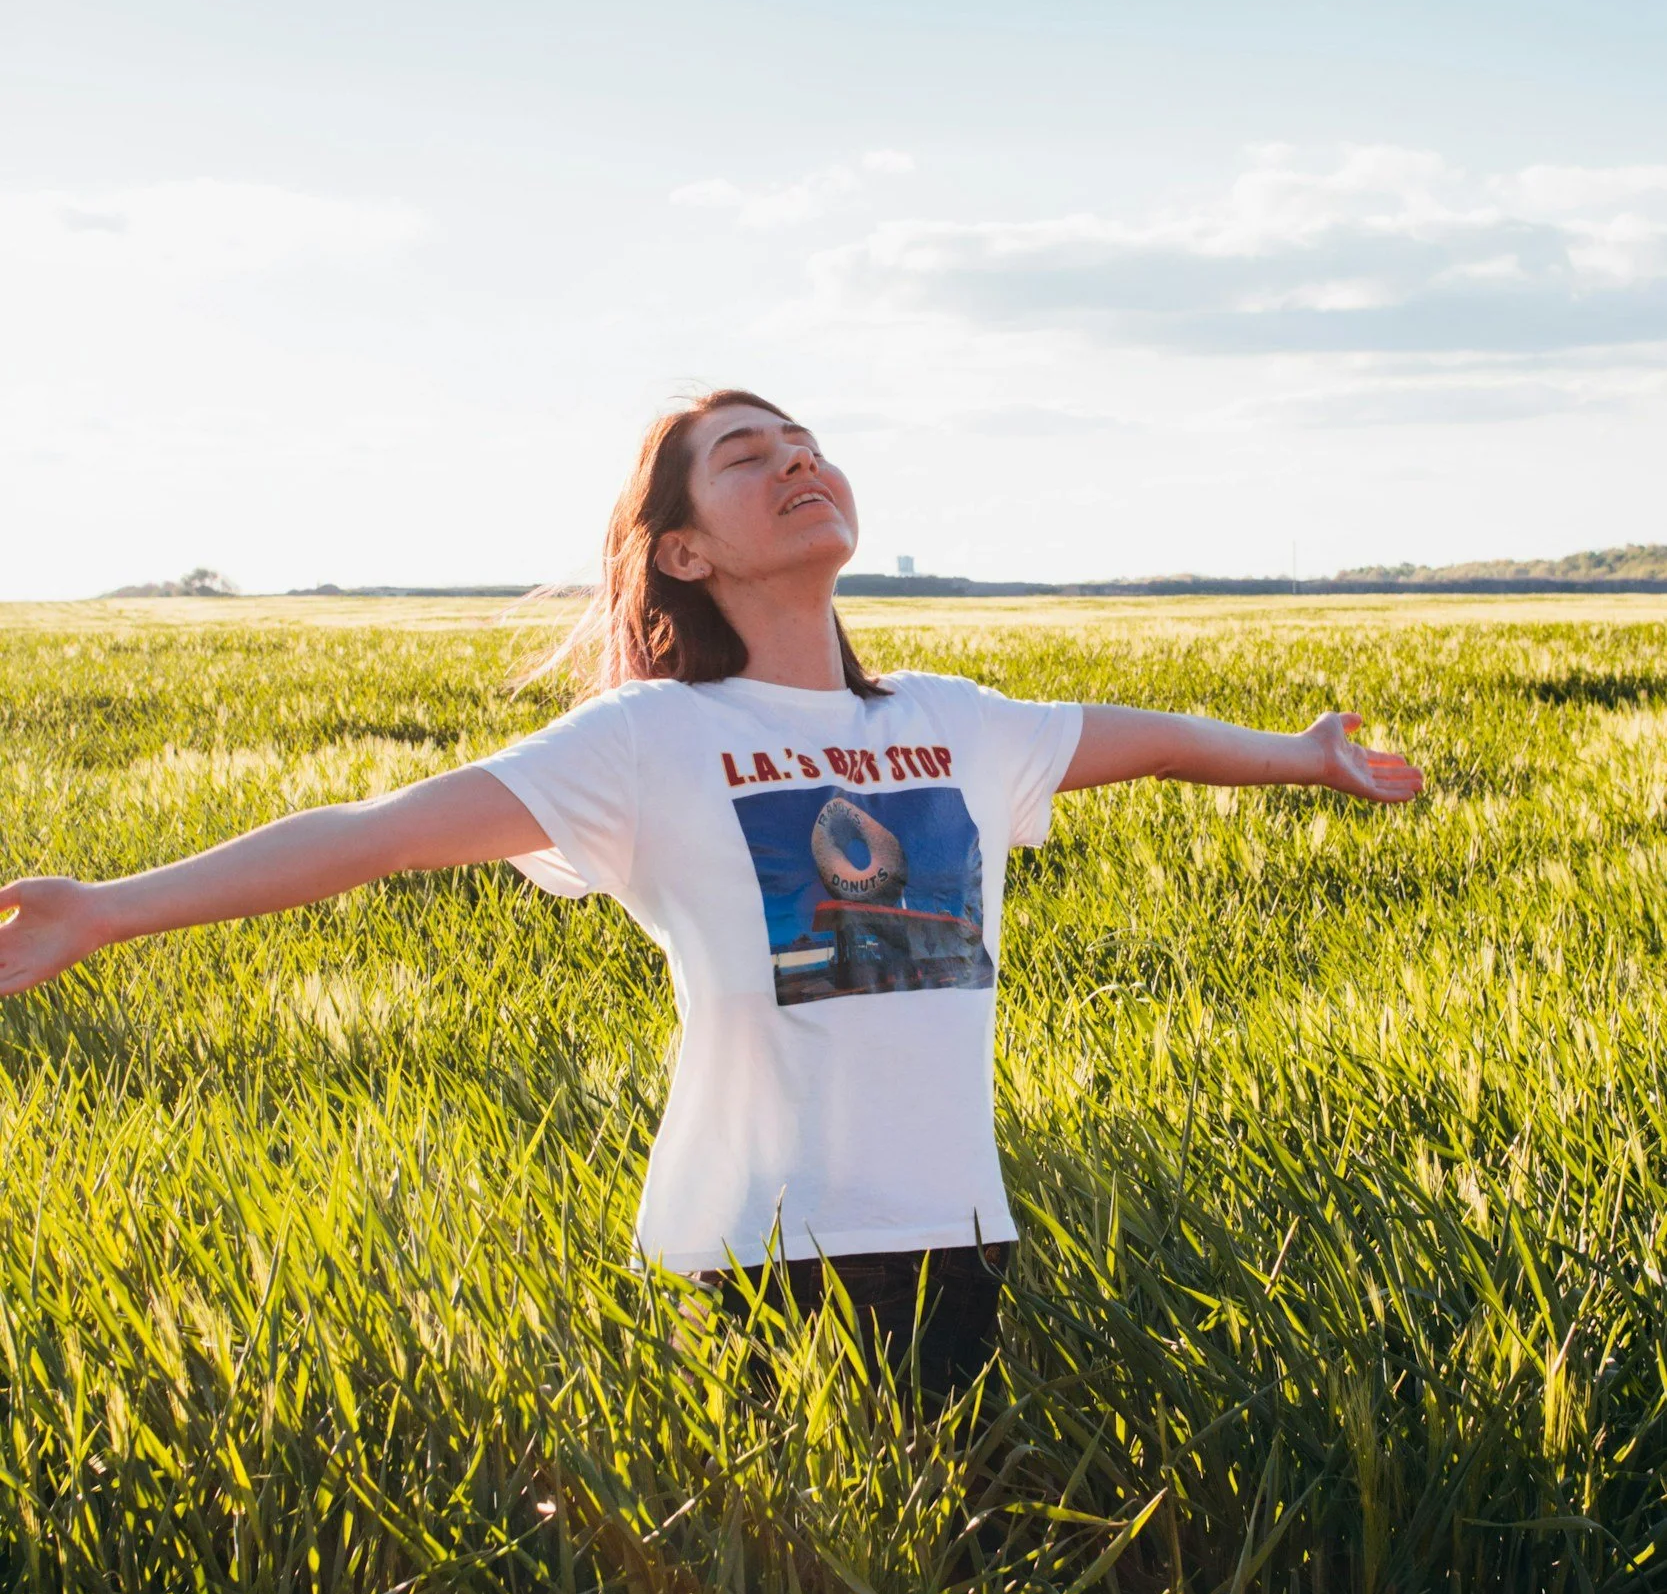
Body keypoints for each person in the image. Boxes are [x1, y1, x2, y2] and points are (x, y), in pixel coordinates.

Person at [0, 389, 1422, 1395]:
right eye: (748, 457)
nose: (798, 461)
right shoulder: (648, 740)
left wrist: (1303, 759)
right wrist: (110, 906)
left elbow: (1151, 739)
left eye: (807, 444)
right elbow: (377, 831)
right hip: (755, 1255)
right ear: (681, 550)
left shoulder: (955, 718)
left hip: (955, 1236)